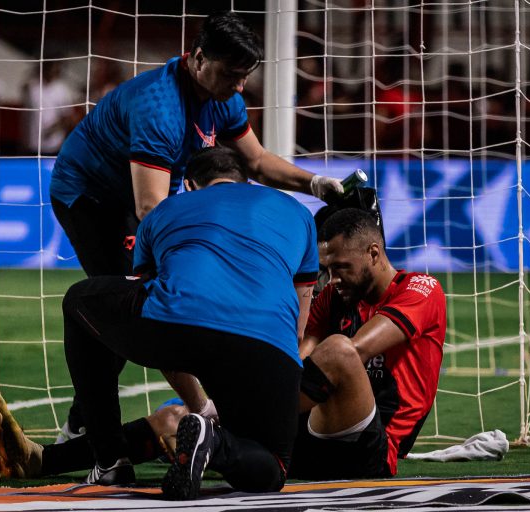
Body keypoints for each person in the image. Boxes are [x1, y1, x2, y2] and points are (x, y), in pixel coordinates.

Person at [0, 206, 446, 485]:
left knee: (340, 352)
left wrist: (243, 402)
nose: (334, 278)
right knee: (176, 417)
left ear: (374, 254)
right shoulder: (330, 296)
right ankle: (42, 460)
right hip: (309, 432)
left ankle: (218, 433)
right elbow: (296, 351)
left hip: (371, 448)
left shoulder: (421, 289)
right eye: (327, 268)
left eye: (342, 267)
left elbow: (356, 352)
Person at [49, 12, 343, 442]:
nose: (240, 87)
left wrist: (315, 183)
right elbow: (151, 209)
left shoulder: (223, 95)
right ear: (199, 59)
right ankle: (88, 428)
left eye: (245, 77)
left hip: (146, 197)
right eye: (232, 75)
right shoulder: (159, 108)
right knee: (129, 301)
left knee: (149, 302)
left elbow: (257, 162)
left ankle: (93, 423)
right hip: (92, 199)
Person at [0, 146, 318, 498]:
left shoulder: (166, 210)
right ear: (245, 182)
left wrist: (199, 403)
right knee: (272, 468)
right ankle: (214, 444)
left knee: (79, 302)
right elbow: (300, 319)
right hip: (271, 343)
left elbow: (154, 303)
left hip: (180, 323)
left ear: (188, 185)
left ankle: (110, 460)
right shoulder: (298, 213)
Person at [22, 59, 77, 156]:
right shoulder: (32, 87)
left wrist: (52, 129)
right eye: (50, 68)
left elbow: (68, 117)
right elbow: (25, 114)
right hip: (32, 144)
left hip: (54, 145)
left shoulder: (62, 90)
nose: (53, 71)